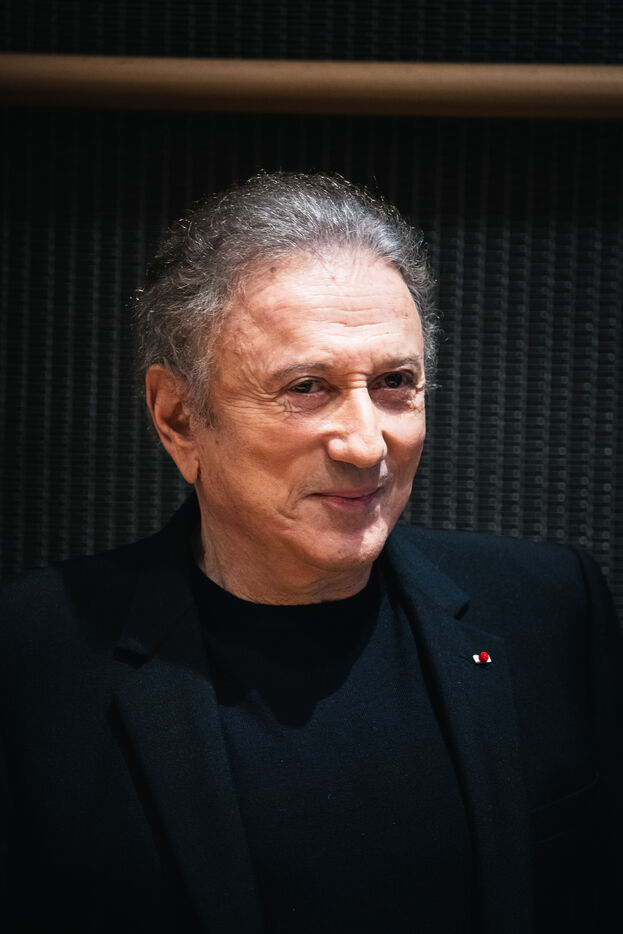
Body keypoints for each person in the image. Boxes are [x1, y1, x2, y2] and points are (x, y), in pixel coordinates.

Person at [1, 172, 621, 934]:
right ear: (178, 418)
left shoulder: (548, 609)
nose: (366, 444)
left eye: (394, 382)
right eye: (305, 387)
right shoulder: (30, 652)